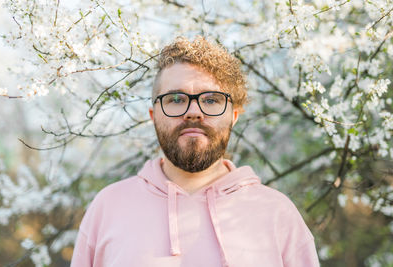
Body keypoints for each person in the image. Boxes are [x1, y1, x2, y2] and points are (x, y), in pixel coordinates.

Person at [70, 36, 320, 267]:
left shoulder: (277, 213)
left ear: (233, 117)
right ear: (153, 116)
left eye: (211, 100)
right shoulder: (108, 207)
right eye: (176, 99)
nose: (193, 111)